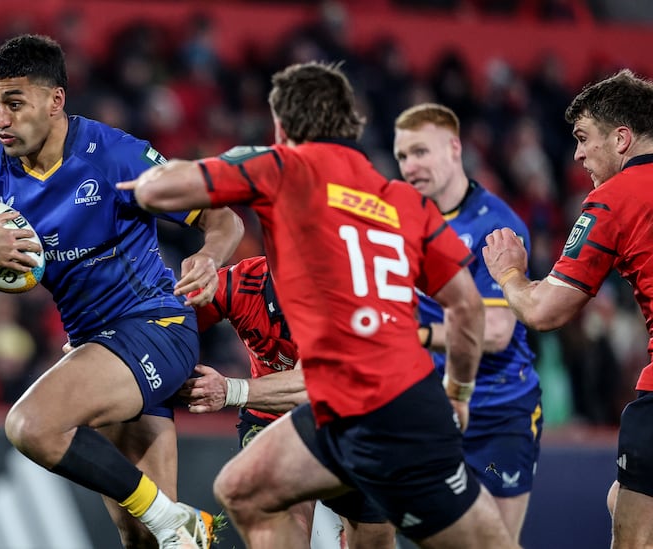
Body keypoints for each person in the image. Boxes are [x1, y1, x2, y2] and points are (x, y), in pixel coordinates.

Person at [118, 61, 519, 549]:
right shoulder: (399, 197)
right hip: (411, 401)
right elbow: (467, 308)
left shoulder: (279, 166)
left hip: (350, 402)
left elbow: (159, 188)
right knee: (244, 488)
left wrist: (163, 176)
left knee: (248, 495)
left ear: (281, 125)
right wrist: (458, 393)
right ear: (349, 124)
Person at [0, 34, 244, 549]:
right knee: (142, 540)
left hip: (157, 327)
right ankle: (172, 524)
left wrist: (208, 256)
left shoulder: (114, 156)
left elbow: (223, 218)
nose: (1, 119)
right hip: (97, 349)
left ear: (56, 100)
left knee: (30, 426)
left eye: (15, 104)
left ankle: (177, 519)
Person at [482, 68, 653, 549]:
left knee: (633, 536)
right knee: (621, 499)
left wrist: (509, 273)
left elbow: (544, 311)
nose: (577, 154)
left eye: (584, 138)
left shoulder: (613, 199)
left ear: (621, 139)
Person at [393, 103, 542, 542]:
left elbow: (495, 334)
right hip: (431, 406)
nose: (410, 166)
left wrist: (414, 335)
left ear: (454, 147)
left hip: (498, 412)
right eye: (402, 156)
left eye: (420, 152)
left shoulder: (496, 227)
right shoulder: (402, 217)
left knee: (494, 541)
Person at [182, 255, 389, 549]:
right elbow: (168, 328)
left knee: (374, 540)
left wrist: (228, 390)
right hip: (270, 421)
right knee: (281, 519)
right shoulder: (238, 283)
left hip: (352, 421)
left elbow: (309, 386)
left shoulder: (351, 293)